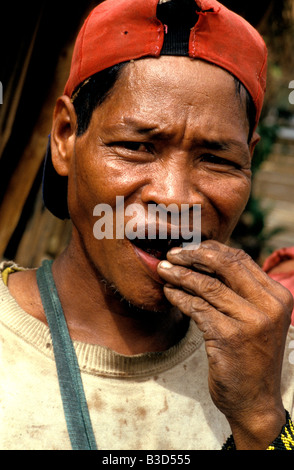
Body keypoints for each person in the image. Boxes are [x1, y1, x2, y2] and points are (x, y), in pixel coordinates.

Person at [1, 0, 294, 451]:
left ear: (249, 161)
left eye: (217, 159)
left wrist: (260, 418)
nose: (176, 198)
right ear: (64, 138)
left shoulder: (277, 367)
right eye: (137, 147)